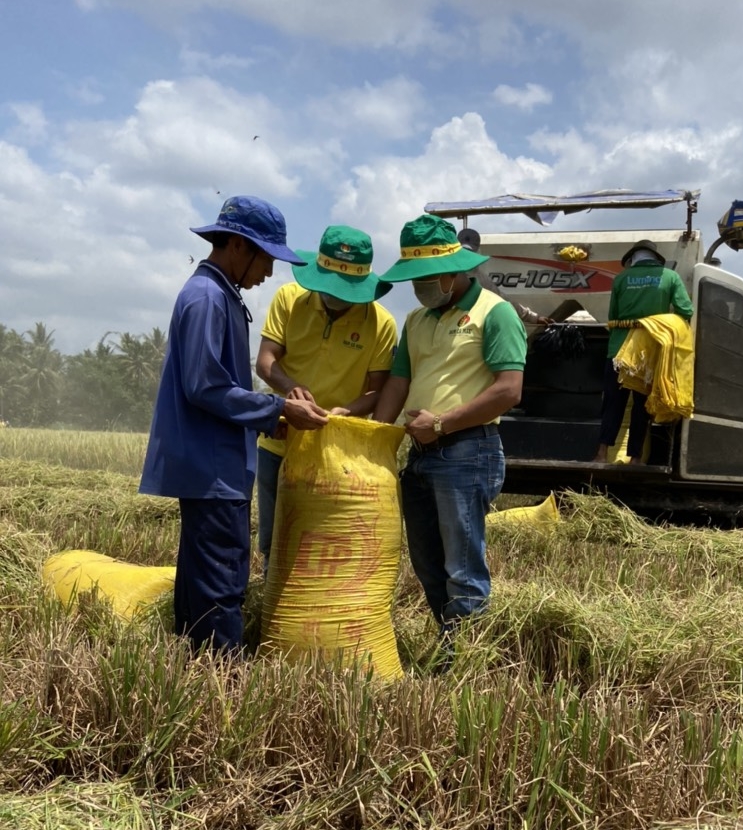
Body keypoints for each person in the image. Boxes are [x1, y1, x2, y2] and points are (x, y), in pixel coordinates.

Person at [140, 195, 325, 654]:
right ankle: (224, 681)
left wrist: (267, 419)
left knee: (201, 581)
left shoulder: (219, 292)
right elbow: (204, 385)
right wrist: (278, 409)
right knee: (222, 580)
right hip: (212, 468)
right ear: (239, 247)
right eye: (266, 259)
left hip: (214, 462)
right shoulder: (207, 298)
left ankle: (197, 671)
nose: (268, 272)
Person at [373, 213, 527, 641]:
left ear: (457, 269)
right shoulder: (417, 321)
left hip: (467, 452)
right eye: (415, 278)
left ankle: (467, 658)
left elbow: (508, 390)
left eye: (429, 276)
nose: (420, 286)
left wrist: (440, 423)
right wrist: (374, 440)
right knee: (427, 561)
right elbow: (398, 382)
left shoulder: (495, 313)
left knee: (462, 565)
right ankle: (450, 641)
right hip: (420, 453)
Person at [255, 225, 397, 568]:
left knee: (326, 542)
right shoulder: (289, 299)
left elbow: (379, 390)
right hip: (280, 439)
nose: (335, 297)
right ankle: (275, 611)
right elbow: (264, 362)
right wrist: (290, 390)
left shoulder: (381, 323)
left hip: (336, 450)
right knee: (276, 543)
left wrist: (346, 411)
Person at [594, 240, 693, 463]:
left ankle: (601, 454)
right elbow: (686, 310)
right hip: (648, 353)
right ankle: (635, 459)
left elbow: (614, 315)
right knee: (641, 406)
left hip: (618, 352)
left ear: (631, 259)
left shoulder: (620, 279)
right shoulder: (670, 277)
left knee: (612, 405)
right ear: (655, 258)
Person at [457, 228, 553, 334]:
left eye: (470, 252)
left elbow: (503, 300)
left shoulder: (482, 279)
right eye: (463, 252)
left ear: (477, 252)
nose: (466, 256)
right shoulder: (448, 273)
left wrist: (533, 317)